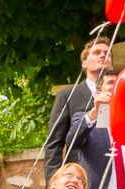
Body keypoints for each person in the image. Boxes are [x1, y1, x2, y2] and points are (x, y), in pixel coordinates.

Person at [44, 35, 112, 179]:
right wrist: (52, 183)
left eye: (107, 54)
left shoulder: (121, 95)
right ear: (84, 63)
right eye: (96, 52)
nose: (103, 56)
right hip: (81, 180)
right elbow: (54, 144)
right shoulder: (68, 95)